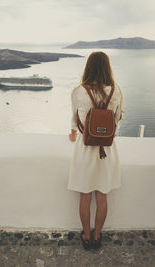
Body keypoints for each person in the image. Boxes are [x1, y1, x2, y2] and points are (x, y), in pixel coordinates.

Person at [67, 51, 124, 250]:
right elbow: (116, 122)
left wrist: (73, 134)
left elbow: (74, 121)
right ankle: (97, 235)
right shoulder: (116, 91)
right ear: (107, 67)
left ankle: (87, 235)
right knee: (102, 196)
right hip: (106, 151)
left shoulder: (78, 91)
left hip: (85, 149)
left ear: (88, 67)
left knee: (85, 196)